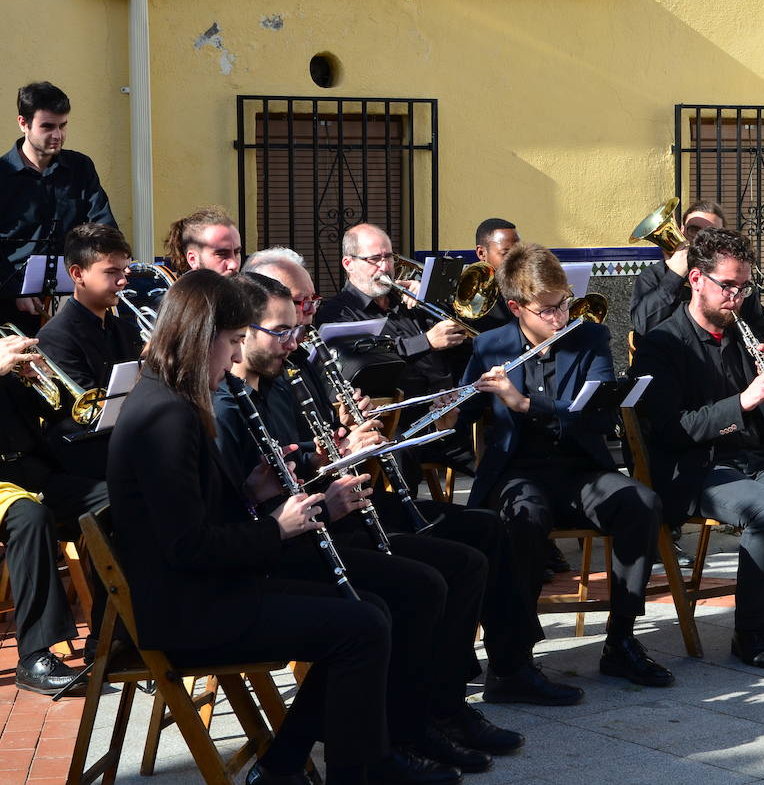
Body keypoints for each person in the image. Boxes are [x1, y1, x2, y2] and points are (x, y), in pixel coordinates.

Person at [244, 247, 555, 727]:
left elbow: (319, 444)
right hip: (313, 525)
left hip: (342, 503)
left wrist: (347, 428)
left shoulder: (296, 360)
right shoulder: (254, 380)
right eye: (295, 309)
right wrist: (332, 453)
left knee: (486, 531)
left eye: (307, 305)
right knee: (437, 574)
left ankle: (503, 670)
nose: (305, 320)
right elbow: (270, 477)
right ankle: (429, 702)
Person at [105, 269, 391, 784]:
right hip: (190, 613)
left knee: (367, 611)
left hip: (205, 594)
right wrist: (277, 528)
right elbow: (187, 546)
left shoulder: (167, 398)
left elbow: (189, 515)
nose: (237, 356)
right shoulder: (165, 417)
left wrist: (250, 495)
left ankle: (283, 767)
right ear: (200, 337)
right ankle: (348, 774)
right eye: (233, 341)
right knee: (362, 628)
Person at [212, 272, 502, 778]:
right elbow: (248, 504)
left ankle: (427, 716)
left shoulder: (278, 383)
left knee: (458, 564)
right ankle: (391, 737)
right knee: (400, 598)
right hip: (275, 556)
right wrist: (328, 482)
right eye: (280, 330)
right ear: (242, 332)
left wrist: (339, 454)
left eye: (297, 321)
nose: (294, 338)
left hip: (317, 530)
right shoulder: (225, 405)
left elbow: (293, 469)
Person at [632, 227, 764, 668]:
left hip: (753, 460)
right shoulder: (661, 344)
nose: (736, 296)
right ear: (696, 280)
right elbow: (671, 430)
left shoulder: (741, 333)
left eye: (743, 286)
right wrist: (743, 400)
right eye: (727, 285)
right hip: (697, 467)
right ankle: (748, 633)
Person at [457, 243, 673, 692]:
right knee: (524, 518)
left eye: (565, 304)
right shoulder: (489, 345)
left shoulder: (589, 337)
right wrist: (448, 408)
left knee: (642, 503)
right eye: (550, 310)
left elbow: (595, 414)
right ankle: (512, 660)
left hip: (579, 469)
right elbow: (463, 418)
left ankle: (621, 642)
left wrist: (526, 403)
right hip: (517, 474)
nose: (561, 317)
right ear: (517, 307)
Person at [0, 333, 104, 694]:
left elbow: (56, 414)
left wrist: (39, 379)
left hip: (34, 471)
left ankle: (111, 636)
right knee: (30, 518)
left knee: (118, 500)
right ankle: (33, 658)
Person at [2, 82, 115, 333]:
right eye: (47, 126)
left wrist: (112, 261)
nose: (58, 135)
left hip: (72, 298)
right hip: (10, 306)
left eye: (63, 125)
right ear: (23, 123)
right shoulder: (2, 176)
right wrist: (15, 291)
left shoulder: (80, 167)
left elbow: (102, 224)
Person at [36, 223, 143, 479]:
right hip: (85, 458)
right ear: (77, 274)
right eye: (111, 272)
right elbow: (89, 414)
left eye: (124, 271)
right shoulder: (54, 337)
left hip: (125, 445)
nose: (122, 281)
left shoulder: (125, 330)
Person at [316, 223, 468, 398]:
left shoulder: (406, 299)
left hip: (449, 403)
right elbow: (368, 357)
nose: (385, 267)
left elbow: (456, 337)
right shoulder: (337, 312)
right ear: (349, 263)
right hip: (399, 416)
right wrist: (426, 341)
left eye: (388, 257)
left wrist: (431, 299)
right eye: (374, 259)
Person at [630, 200, 764, 341]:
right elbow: (643, 326)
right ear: (681, 231)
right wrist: (674, 276)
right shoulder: (653, 275)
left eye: (712, 232)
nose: (701, 238)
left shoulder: (737, 282)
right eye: (694, 230)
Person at [163, 206, 242, 276]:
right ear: (193, 259)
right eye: (221, 254)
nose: (234, 265)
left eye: (237, 252)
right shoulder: (180, 292)